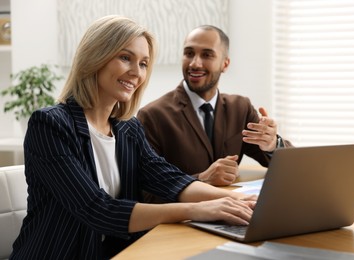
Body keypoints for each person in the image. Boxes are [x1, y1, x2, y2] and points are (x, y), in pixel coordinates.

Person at [10, 16, 257, 259]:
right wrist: (198, 210)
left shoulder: (128, 130)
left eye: (143, 64)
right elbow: (98, 210)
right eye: (125, 58)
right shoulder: (50, 124)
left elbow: (171, 181)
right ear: (95, 57)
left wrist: (244, 200)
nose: (136, 73)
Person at [137, 25, 292, 188]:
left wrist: (273, 144)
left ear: (225, 64)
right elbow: (145, 192)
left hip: (234, 209)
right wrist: (201, 179)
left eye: (207, 55)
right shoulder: (152, 116)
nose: (195, 64)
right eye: (189, 53)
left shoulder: (241, 109)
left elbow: (293, 166)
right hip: (184, 213)